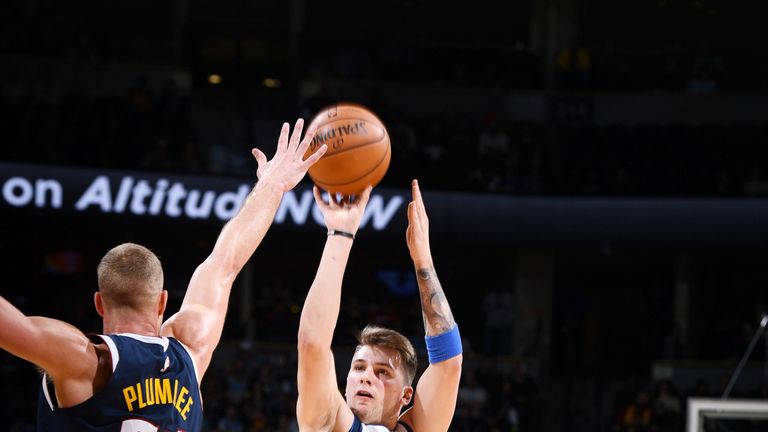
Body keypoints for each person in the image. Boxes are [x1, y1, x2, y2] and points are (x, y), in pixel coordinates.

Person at [0, 119, 326, 430]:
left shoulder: (85, 360)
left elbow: (11, 327)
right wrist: (273, 186)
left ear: (99, 303)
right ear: (162, 301)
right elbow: (225, 263)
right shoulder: (190, 351)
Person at [296, 179, 463, 432]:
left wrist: (423, 260)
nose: (366, 376)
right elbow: (312, 344)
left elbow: (449, 363)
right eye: (359, 367)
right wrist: (340, 234)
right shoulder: (328, 422)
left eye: (383, 372)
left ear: (406, 396)